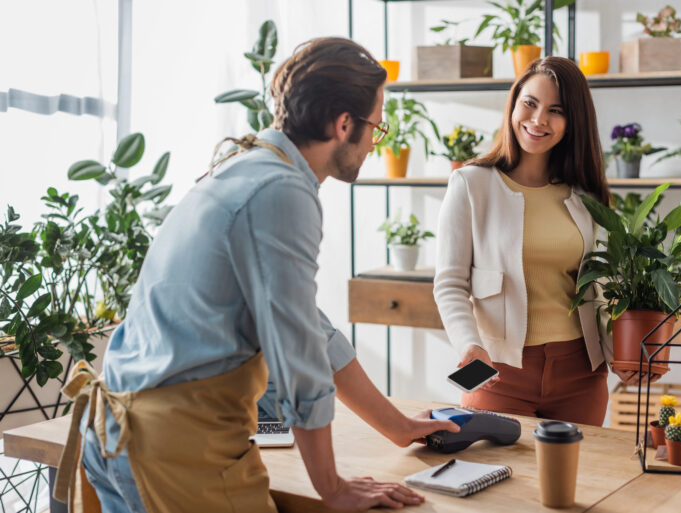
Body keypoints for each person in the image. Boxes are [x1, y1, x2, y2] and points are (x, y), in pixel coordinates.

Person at [57, 37, 460, 513]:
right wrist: (331, 486)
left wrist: (396, 425)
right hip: (173, 449)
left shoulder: (242, 165)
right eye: (376, 125)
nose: (376, 140)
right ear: (344, 123)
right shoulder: (283, 190)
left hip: (122, 430)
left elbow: (308, 324)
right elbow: (300, 355)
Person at [433, 57, 652, 427]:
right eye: (530, 103)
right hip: (497, 370)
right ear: (514, 103)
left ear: (572, 122)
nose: (538, 120)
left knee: (574, 483)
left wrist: (625, 355)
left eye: (555, 110)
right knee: (493, 480)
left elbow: (606, 287)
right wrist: (469, 346)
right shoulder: (472, 184)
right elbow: (450, 284)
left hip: (581, 375)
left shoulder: (588, 198)